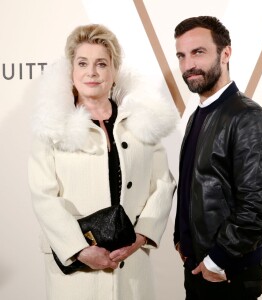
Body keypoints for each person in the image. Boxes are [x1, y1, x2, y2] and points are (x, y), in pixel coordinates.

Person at [28, 24, 178, 300]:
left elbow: (163, 184)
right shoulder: (52, 129)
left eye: (101, 64)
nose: (92, 72)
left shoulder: (141, 124)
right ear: (71, 72)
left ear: (114, 72)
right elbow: (43, 196)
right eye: (83, 63)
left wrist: (140, 238)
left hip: (131, 267)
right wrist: (80, 249)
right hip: (76, 274)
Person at [173, 16, 262, 300]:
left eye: (198, 52)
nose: (187, 65)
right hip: (198, 269)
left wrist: (217, 259)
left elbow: (258, 208)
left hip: (227, 275)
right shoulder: (198, 115)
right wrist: (182, 239)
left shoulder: (247, 116)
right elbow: (196, 187)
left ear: (226, 53)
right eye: (181, 56)